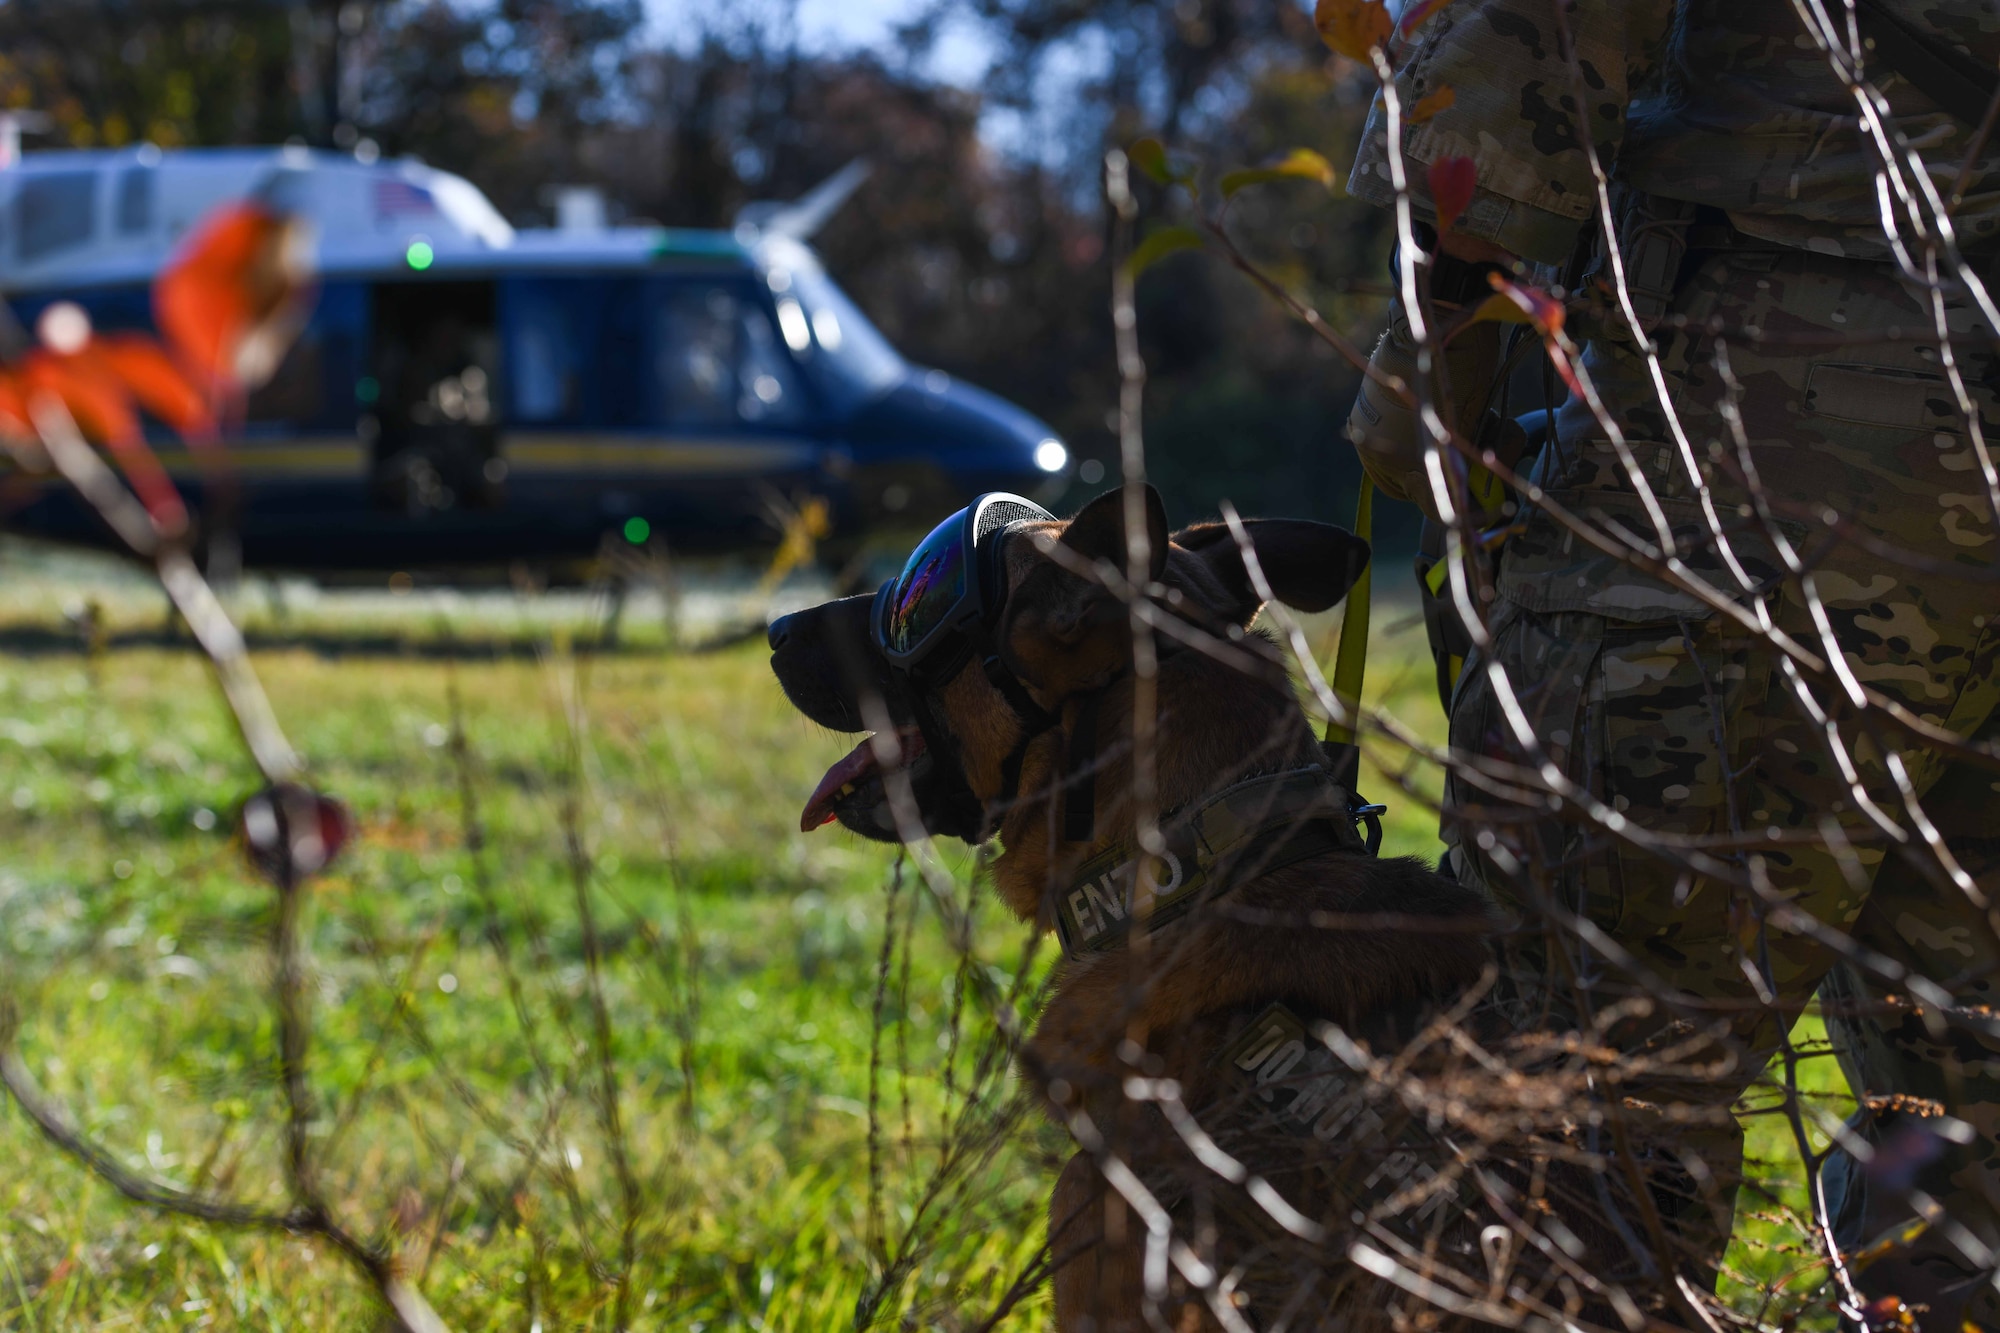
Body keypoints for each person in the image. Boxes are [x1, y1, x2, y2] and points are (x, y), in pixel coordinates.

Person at [1341, 0, 2000, 1321]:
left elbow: (1533, 46)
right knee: (1970, 1135)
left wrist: (1427, 372)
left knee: (1574, 1100)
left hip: (1771, 430)